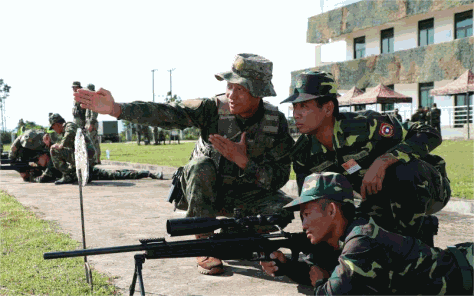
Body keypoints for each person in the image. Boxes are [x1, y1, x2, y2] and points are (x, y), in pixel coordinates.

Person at [74, 53, 295, 275]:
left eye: (241, 89)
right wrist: (116, 109)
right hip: (207, 194)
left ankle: (240, 239)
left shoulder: (275, 122)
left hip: (246, 198)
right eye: (230, 86)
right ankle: (204, 243)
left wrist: (244, 162)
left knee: (285, 209)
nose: (231, 94)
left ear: (258, 92)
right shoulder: (211, 109)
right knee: (200, 166)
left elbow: (279, 177)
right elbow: (167, 113)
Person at [282, 71, 450, 245]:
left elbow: (429, 133)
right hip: (375, 201)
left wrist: (383, 161)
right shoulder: (303, 153)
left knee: (401, 170)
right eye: (295, 107)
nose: (296, 114)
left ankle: (417, 242)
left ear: (327, 108)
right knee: (358, 233)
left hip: (427, 188)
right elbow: (310, 206)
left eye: (304, 106)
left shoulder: (365, 125)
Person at [260, 172, 474, 295]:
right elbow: (321, 270)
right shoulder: (343, 239)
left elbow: (329, 289)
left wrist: (318, 284)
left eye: (306, 214)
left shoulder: (361, 241)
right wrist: (286, 266)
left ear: (332, 210)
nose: (303, 224)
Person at [48, 113, 96, 185]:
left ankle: (69, 175)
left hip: (86, 156)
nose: (54, 130)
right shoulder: (64, 132)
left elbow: (70, 133)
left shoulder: (69, 125)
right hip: (84, 157)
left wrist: (61, 145)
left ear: (56, 124)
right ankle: (74, 173)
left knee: (54, 150)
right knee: (55, 148)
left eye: (53, 128)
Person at [85, 84, 101, 165]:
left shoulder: (93, 99)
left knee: (93, 141)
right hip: (90, 122)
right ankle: (96, 159)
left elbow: (93, 113)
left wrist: (90, 123)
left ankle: (96, 159)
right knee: (93, 141)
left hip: (92, 122)